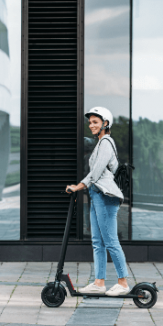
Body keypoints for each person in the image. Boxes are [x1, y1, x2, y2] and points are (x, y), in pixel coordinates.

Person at [65, 106, 130, 296]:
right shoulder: (100, 143)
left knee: (110, 241)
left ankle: (123, 282)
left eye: (95, 122)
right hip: (96, 196)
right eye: (90, 122)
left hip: (105, 197)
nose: (91, 125)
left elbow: (96, 172)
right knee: (97, 242)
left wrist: (78, 186)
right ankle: (99, 282)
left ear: (105, 123)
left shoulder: (106, 143)